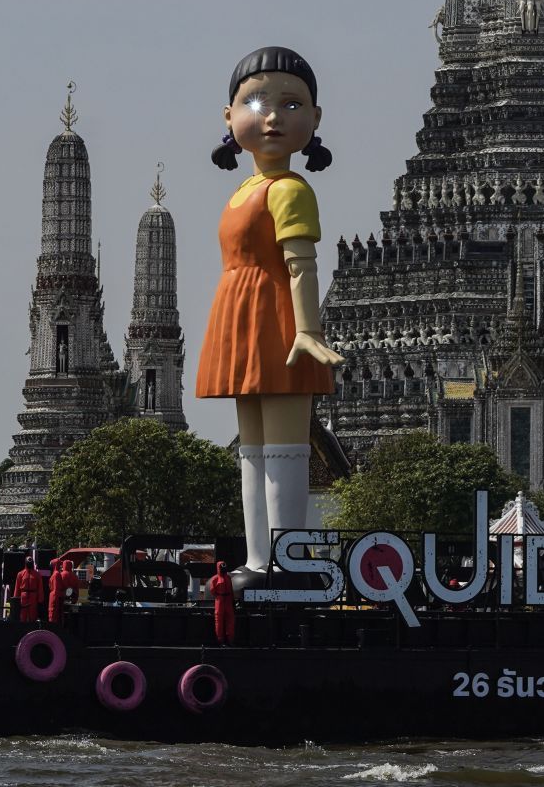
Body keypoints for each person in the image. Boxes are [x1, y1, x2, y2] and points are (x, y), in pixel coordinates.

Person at [199, 47, 344, 591]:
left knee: (285, 444)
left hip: (278, 318)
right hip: (240, 313)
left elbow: (301, 263)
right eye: (255, 100)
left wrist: (308, 331)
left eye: (291, 103)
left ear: (315, 119)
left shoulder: (289, 189)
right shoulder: (244, 191)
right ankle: (259, 560)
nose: (273, 115)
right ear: (229, 116)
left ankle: (287, 560)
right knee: (252, 447)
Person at [209, 560, 237, 646]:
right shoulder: (215, 579)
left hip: (228, 599)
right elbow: (212, 590)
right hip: (220, 600)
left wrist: (232, 600)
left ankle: (230, 639)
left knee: (230, 619)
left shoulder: (228, 578)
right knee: (219, 620)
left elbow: (231, 590)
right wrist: (219, 596)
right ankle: (220, 640)